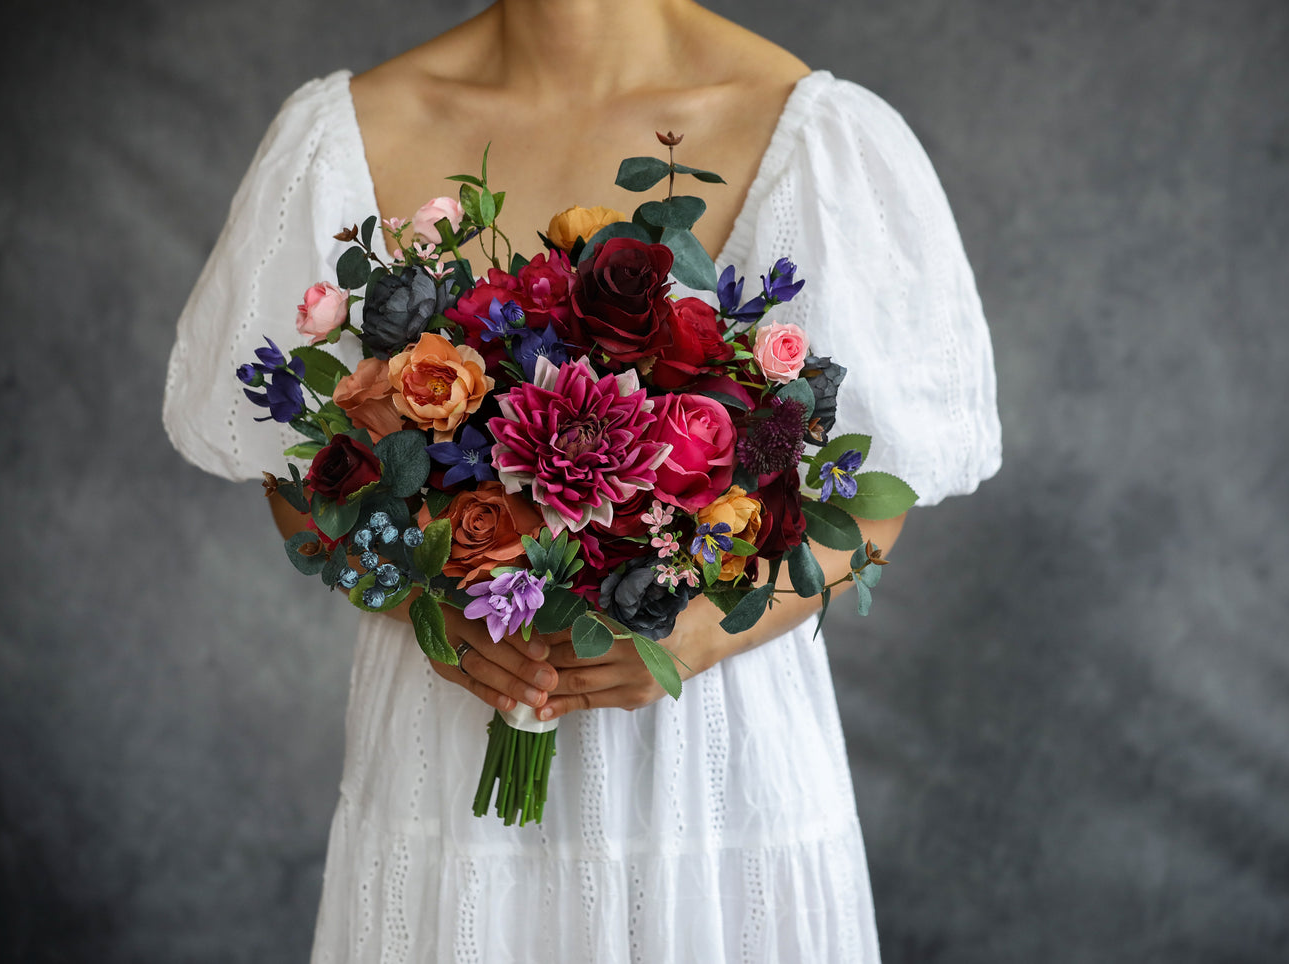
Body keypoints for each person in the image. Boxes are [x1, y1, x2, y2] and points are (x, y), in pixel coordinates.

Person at [162, 0, 1001, 959]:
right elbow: (295, 474)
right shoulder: (348, 131)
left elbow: (867, 501)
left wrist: (685, 639)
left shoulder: (817, 137)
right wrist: (431, 617)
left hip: (713, 768)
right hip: (451, 750)